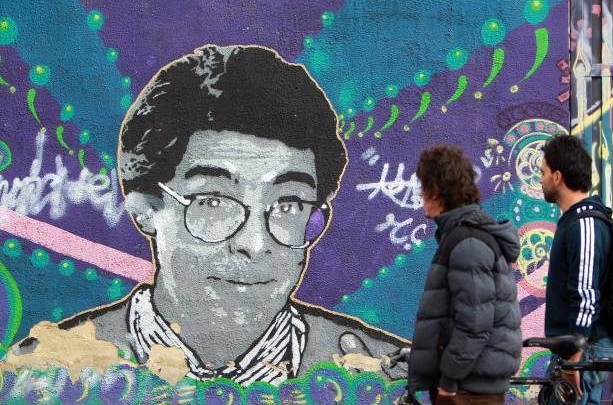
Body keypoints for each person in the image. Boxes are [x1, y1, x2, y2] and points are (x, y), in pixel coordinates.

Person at [14, 45, 407, 385]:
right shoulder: (42, 375)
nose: (255, 245)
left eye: (289, 205)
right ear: (146, 209)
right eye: (214, 201)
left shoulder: (389, 378)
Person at [407, 144, 522, 404]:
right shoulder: (464, 236)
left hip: (468, 390)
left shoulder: (467, 242)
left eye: (423, 187)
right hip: (470, 384)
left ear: (437, 191)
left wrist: (448, 381)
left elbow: (474, 323)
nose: (421, 195)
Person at [539, 134, 613, 404]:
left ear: (557, 176)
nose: (541, 179)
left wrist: (573, 362)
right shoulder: (575, 221)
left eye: (543, 172)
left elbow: (585, 295)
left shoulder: (584, 223)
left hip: (584, 349)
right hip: (578, 349)